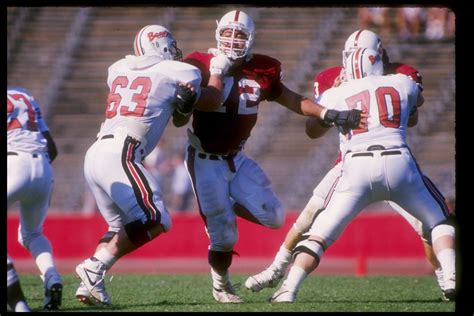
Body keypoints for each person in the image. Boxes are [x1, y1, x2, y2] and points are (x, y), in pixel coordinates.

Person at [245, 29, 453, 302]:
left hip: (356, 166)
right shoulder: (403, 80)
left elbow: (312, 127)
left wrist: (334, 102)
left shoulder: (343, 87)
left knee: (321, 229)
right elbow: (315, 129)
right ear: (377, 54)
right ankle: (275, 268)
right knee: (435, 221)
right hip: (387, 162)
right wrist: (331, 115)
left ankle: (289, 285)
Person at [176, 10, 365, 304]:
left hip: (236, 159)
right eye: (228, 32)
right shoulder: (198, 63)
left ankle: (224, 206)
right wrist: (185, 101)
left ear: (250, 38)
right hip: (204, 159)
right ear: (218, 33)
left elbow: (290, 98)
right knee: (224, 236)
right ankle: (221, 284)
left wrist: (327, 113)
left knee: (275, 216)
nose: (233, 39)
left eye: (239, 34)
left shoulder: (263, 69)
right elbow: (180, 116)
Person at [74, 24, 232, 306]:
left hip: (96, 152)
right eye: (169, 46)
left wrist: (183, 106)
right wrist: (218, 71)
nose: (174, 51)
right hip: (122, 152)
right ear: (159, 46)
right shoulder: (178, 71)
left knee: (118, 226)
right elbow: (214, 99)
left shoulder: (117, 68)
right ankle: (93, 267)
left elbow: (178, 113)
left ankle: (91, 286)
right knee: (157, 218)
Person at [7, 86, 63, 310]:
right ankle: (52, 278)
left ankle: (19, 305)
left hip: (12, 163)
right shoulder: (25, 96)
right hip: (42, 165)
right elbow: (53, 148)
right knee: (32, 233)